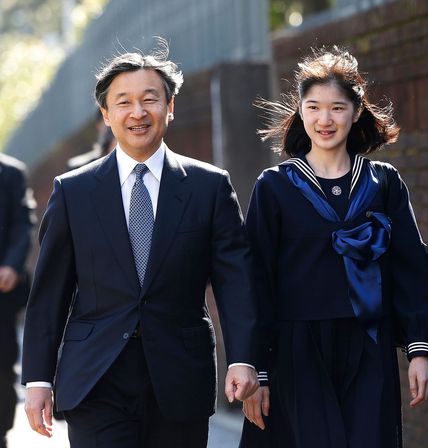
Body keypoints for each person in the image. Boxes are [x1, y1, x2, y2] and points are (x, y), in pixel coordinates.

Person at [22, 41, 259, 448]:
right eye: (124, 102)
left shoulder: (209, 187)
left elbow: (236, 282)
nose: (137, 113)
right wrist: (38, 378)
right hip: (96, 379)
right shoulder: (74, 191)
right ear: (106, 114)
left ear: (170, 106)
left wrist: (243, 356)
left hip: (180, 376)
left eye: (150, 100)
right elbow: (49, 294)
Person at [239, 47, 428, 448]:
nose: (325, 119)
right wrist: (258, 370)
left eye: (337, 108)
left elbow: (411, 267)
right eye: (313, 107)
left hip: (369, 343)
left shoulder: (383, 183)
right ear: (300, 112)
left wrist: (420, 350)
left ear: (356, 111)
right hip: (296, 349)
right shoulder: (274, 186)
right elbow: (254, 279)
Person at [0, 153, 35, 448]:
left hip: (1, 292)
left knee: (1, 364)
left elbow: (23, 224)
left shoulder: (11, 172)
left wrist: (12, 265)